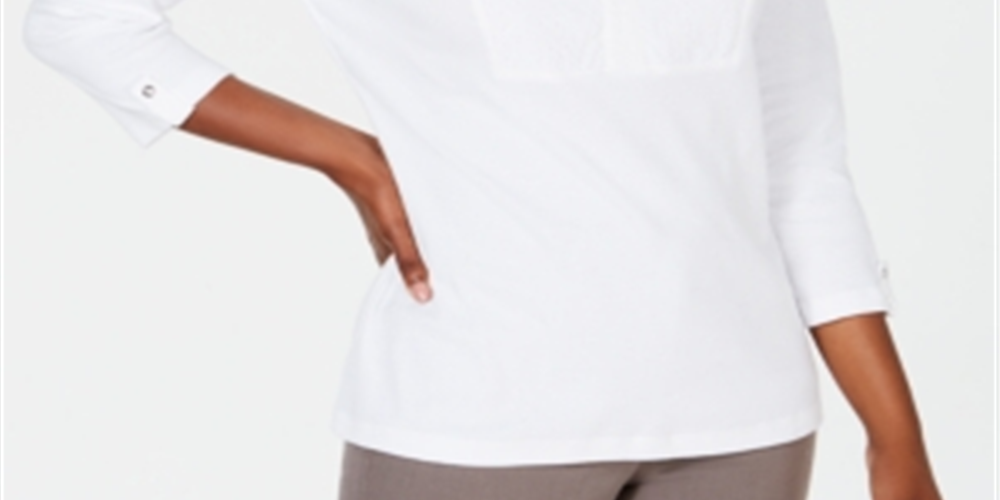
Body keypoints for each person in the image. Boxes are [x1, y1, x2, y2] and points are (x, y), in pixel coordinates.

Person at [21, 0, 945, 498]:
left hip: (746, 428)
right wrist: (351, 157)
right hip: (479, 419)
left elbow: (802, 173)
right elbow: (82, 19)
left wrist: (896, 444)